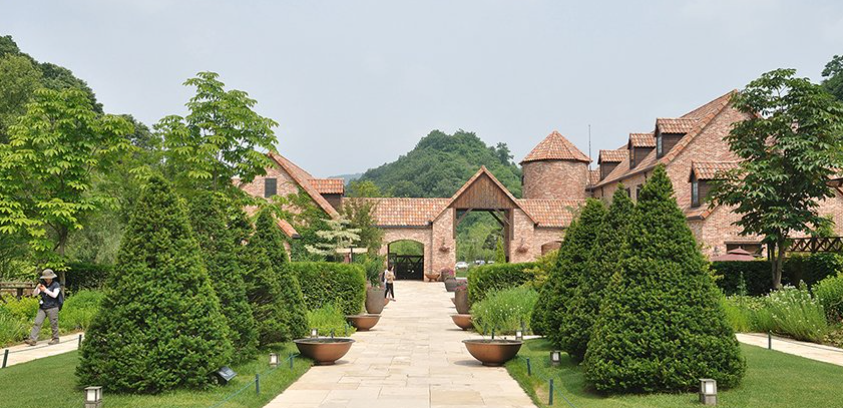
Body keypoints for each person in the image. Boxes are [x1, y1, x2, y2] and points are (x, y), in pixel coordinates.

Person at [25, 269, 61, 346]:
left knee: (53, 324)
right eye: (45, 278)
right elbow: (34, 294)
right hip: (43, 307)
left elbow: (54, 295)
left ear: (51, 278)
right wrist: (37, 288)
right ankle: (32, 339)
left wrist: (45, 290)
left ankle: (55, 339)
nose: (46, 280)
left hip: (52, 307)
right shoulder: (42, 284)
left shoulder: (56, 285)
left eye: (47, 278)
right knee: (37, 322)